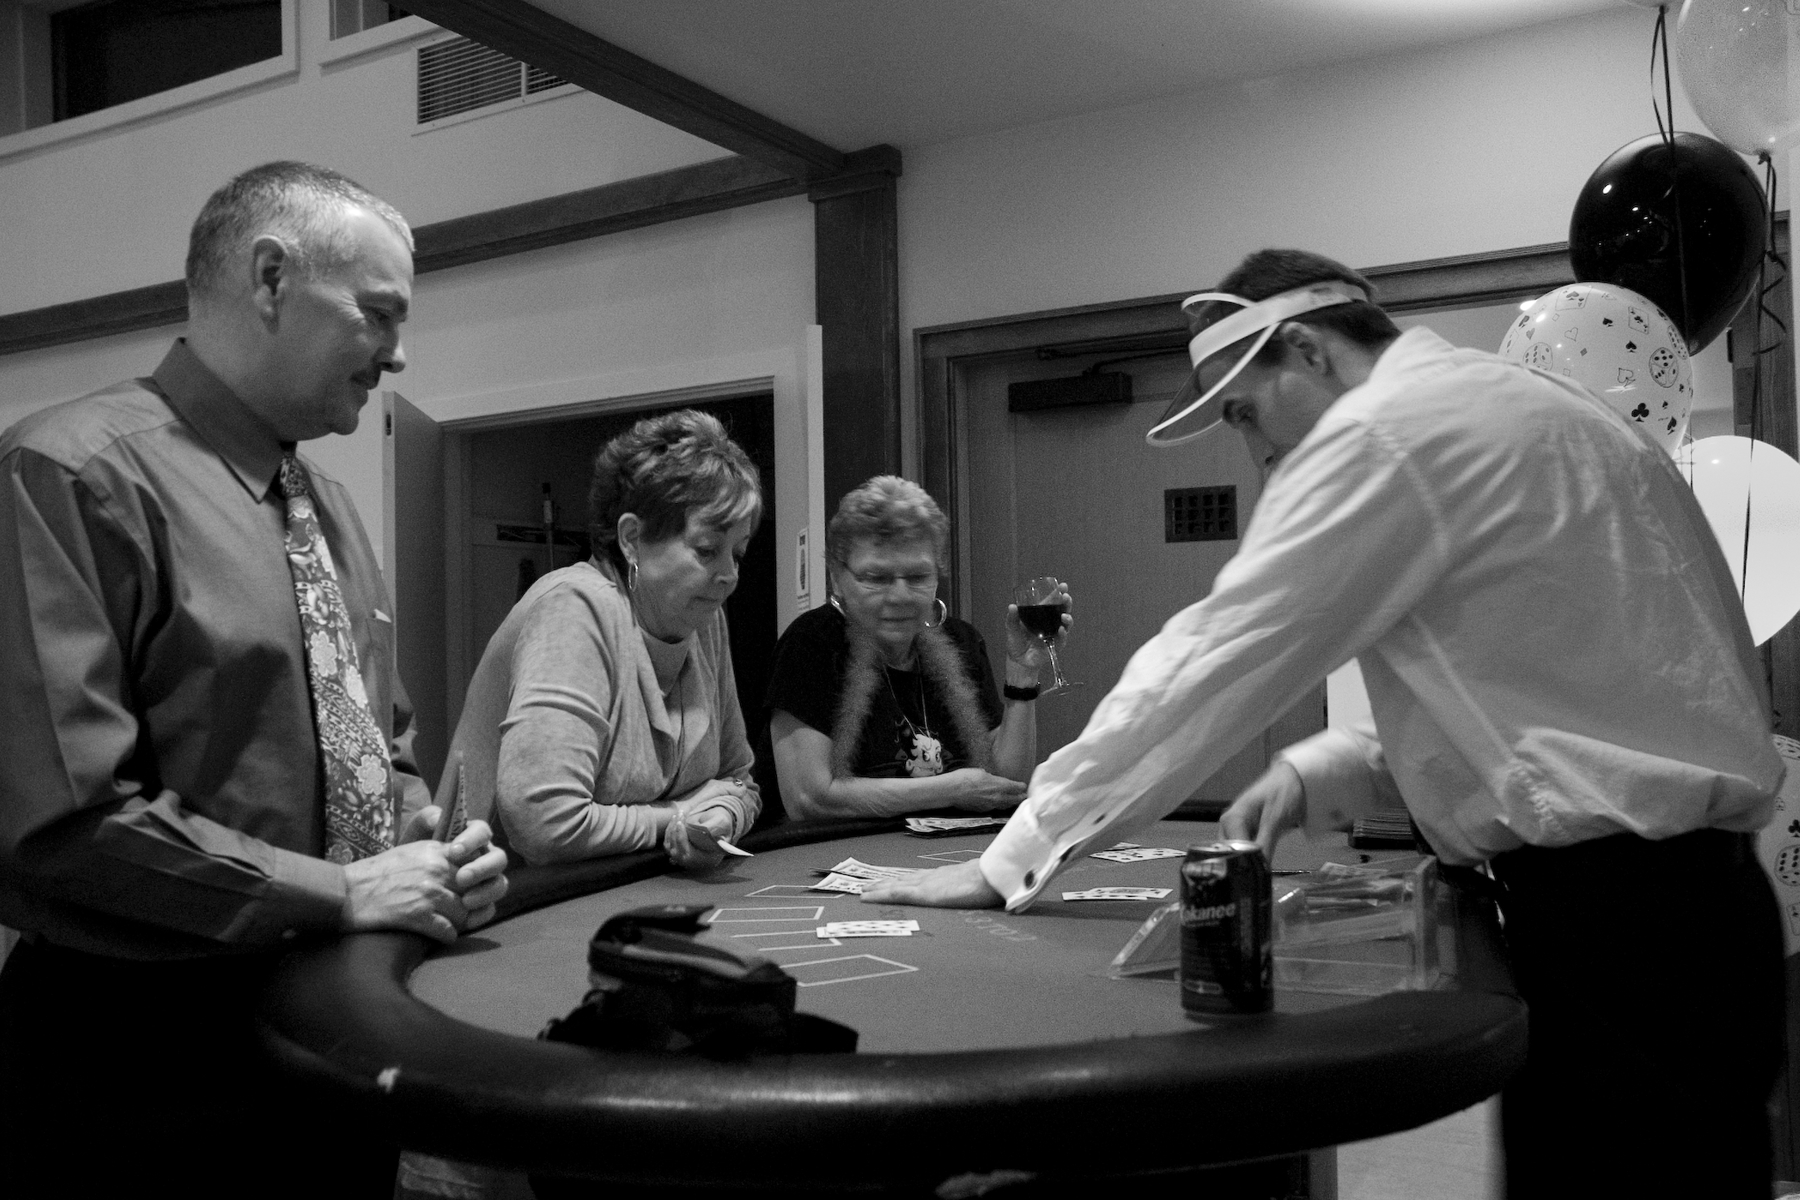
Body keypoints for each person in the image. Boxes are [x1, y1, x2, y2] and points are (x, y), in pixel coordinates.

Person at [862, 249, 1785, 1197]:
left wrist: (1010, 855)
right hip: (1702, 916)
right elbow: (1561, 680)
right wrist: (1335, 763)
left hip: (1621, 931)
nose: (1257, 456)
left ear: (1306, 351)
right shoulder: (1528, 406)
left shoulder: (1385, 433)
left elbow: (1212, 658)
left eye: (1246, 414)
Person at [0, 162, 508, 1198]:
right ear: (272, 278)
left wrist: (423, 839)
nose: (398, 353)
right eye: (377, 314)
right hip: (144, 1067)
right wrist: (346, 890)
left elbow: (382, 740)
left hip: (334, 1041)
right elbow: (55, 821)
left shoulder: (324, 502)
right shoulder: (67, 474)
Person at [441, 409, 762, 868]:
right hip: (506, 907)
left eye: (739, 552)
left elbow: (738, 782)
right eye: (708, 550)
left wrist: (718, 819)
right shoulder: (573, 606)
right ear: (632, 538)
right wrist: (679, 815)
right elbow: (544, 823)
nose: (729, 575)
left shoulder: (704, 619)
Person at [762, 475, 1070, 821]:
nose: (900, 596)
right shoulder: (812, 644)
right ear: (837, 576)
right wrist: (951, 790)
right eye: (876, 578)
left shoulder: (960, 641)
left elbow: (1004, 781)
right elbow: (809, 798)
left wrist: (1023, 674)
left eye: (918, 577)